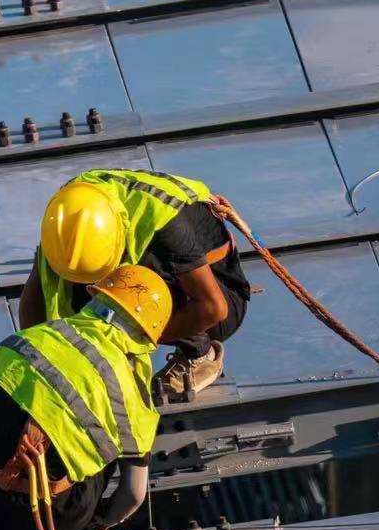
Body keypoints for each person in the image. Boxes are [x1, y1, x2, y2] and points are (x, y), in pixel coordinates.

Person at [0, 265, 171, 530]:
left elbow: (1, 421)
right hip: (61, 518)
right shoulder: (133, 396)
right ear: (146, 335)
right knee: (105, 454)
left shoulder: (26, 342)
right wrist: (97, 522)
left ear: (95, 299)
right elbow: (134, 494)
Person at [18, 168, 248, 402]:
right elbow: (38, 295)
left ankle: (200, 355)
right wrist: (36, 361)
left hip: (217, 298)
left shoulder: (161, 220)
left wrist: (125, 343)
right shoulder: (67, 215)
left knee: (128, 287)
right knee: (79, 296)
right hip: (157, 269)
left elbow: (213, 308)